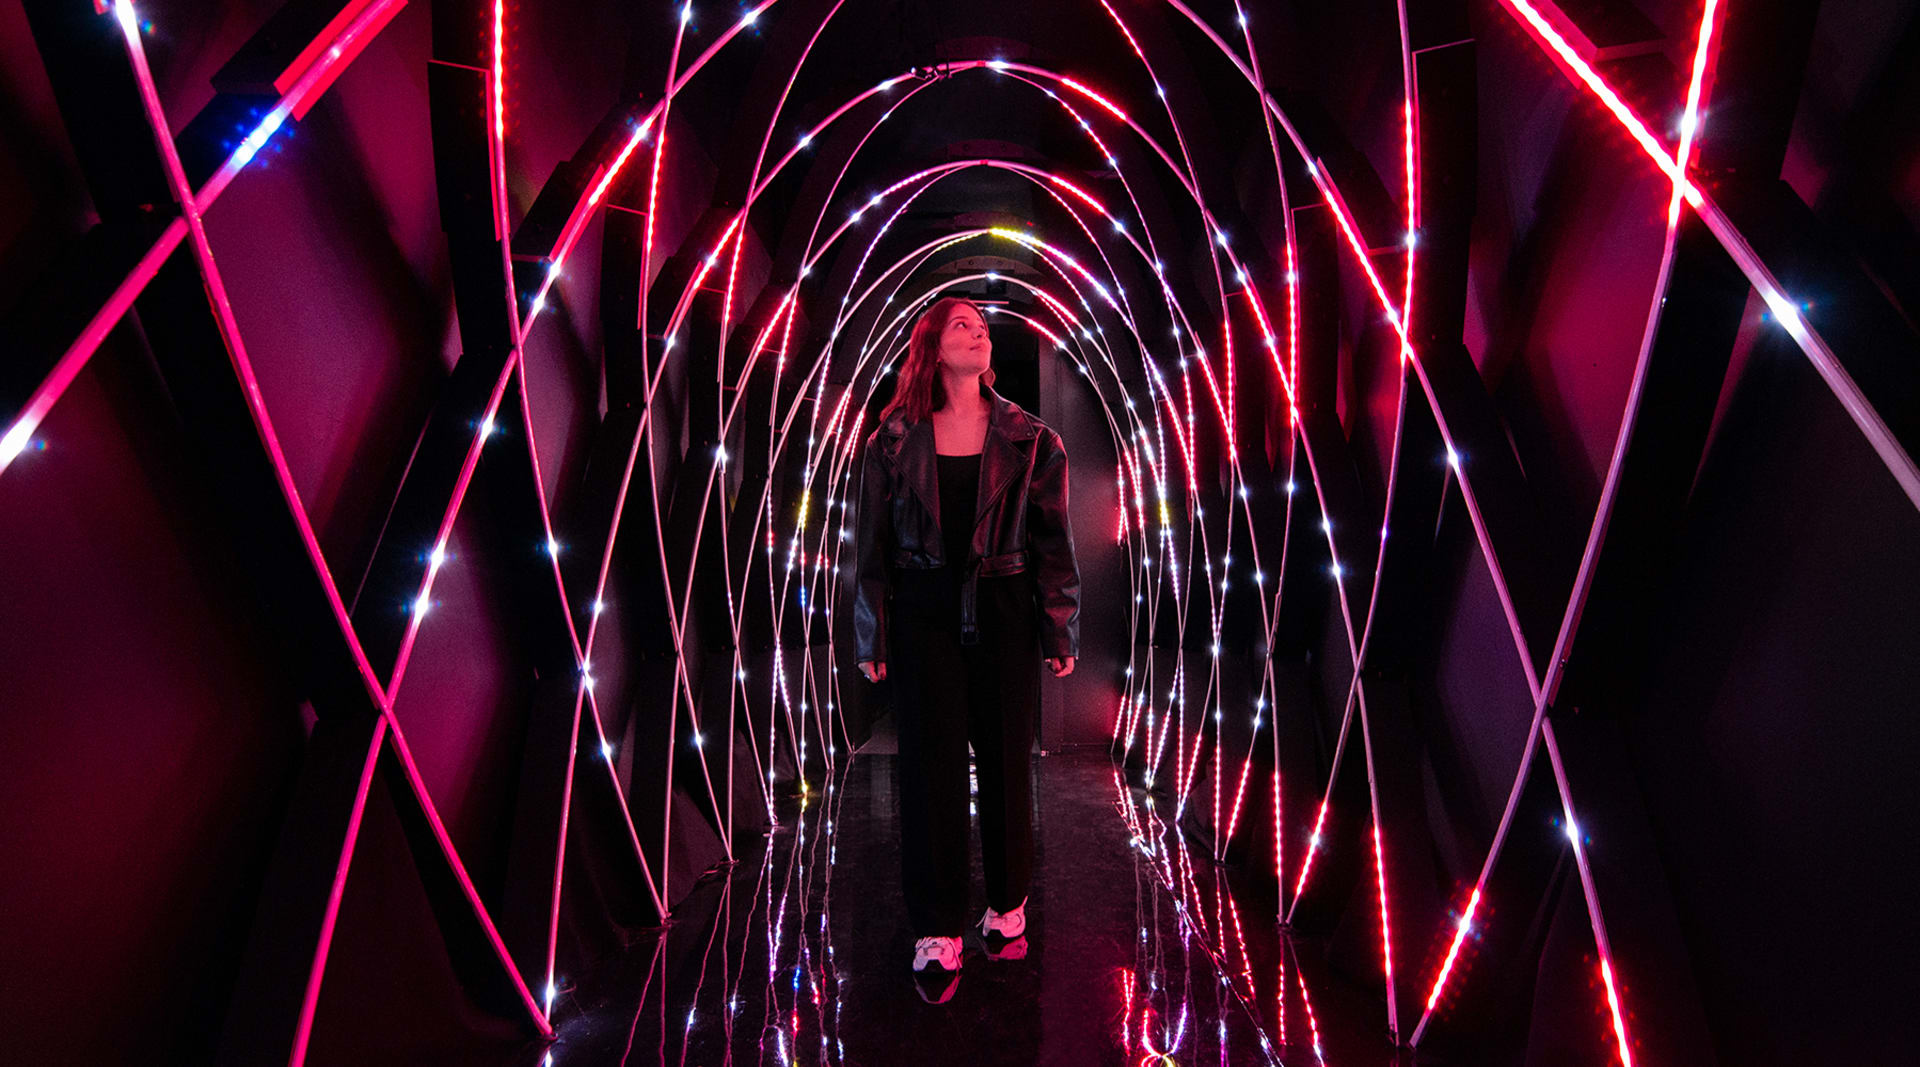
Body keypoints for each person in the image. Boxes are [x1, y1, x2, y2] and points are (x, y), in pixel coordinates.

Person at [852, 295, 1081, 1005]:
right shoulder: (892, 438)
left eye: (983, 328)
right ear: (931, 344)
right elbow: (869, 549)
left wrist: (1058, 624)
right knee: (930, 768)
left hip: (1006, 605)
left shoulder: (1030, 436)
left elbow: (1054, 539)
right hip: (922, 611)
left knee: (1008, 758)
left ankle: (1006, 901)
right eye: (961, 324)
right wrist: (873, 632)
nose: (977, 333)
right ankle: (936, 926)